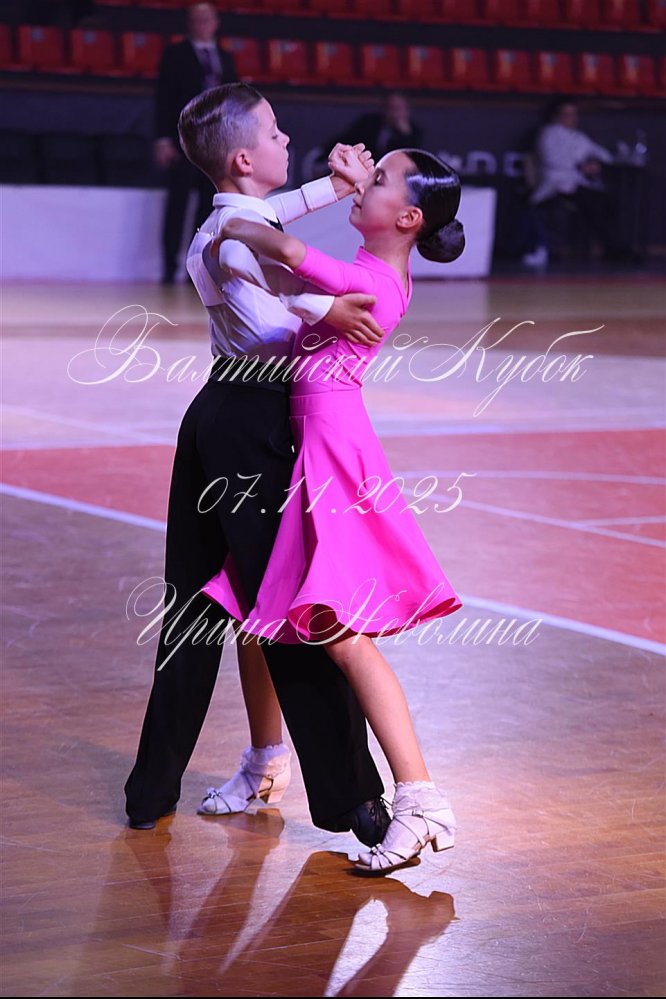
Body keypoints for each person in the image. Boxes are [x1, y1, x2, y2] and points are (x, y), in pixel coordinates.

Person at [124, 81, 393, 851]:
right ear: (244, 158)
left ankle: (151, 789)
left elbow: (270, 218)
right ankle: (357, 801)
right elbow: (273, 319)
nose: (287, 140)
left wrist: (332, 188)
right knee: (293, 610)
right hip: (256, 426)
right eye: (274, 133)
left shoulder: (234, 218)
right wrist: (326, 309)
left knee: (192, 612)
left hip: (217, 417)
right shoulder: (229, 237)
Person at [200, 146, 465, 875]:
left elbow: (286, 253)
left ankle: (421, 798)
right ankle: (265, 760)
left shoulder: (374, 280)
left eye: (379, 182)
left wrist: (235, 220)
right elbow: (293, 280)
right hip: (309, 445)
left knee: (342, 635)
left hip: (333, 457)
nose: (364, 187)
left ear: (407, 218)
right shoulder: (370, 271)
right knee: (254, 611)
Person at [154, 2, 237, 284]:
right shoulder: (175, 54)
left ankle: (198, 268)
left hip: (216, 144)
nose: (202, 24)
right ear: (189, 23)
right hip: (184, 140)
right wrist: (163, 139)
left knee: (208, 207)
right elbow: (164, 98)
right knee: (177, 204)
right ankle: (169, 268)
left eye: (207, 19)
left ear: (216, 22)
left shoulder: (225, 57)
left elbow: (233, 101)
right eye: (197, 19)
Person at [523, 99, 626, 270]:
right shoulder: (548, 134)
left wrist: (596, 163)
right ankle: (614, 247)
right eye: (566, 114)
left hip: (577, 184)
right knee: (592, 201)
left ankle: (615, 248)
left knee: (603, 201)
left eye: (573, 114)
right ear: (556, 116)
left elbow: (602, 154)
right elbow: (552, 160)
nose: (571, 118)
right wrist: (581, 167)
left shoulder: (578, 137)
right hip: (555, 185)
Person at [312, 92, 424, 177]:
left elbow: (411, 162)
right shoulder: (369, 123)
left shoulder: (413, 134)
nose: (394, 114)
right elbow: (346, 140)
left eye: (398, 109)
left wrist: (405, 135)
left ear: (407, 111)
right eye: (391, 108)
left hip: (391, 178)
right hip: (361, 172)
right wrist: (322, 156)